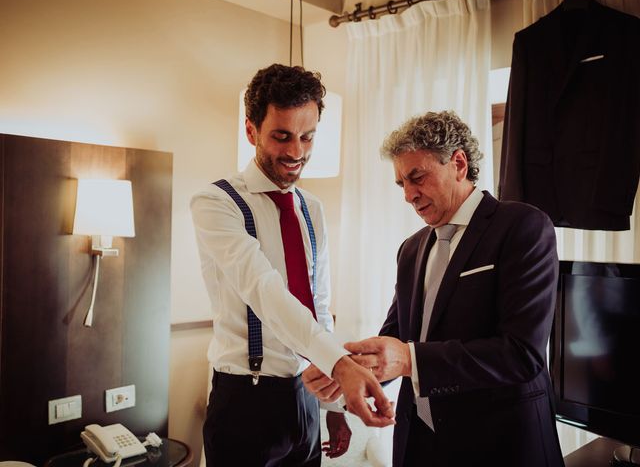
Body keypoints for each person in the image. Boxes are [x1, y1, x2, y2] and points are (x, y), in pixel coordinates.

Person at [304, 111, 564, 466]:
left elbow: (522, 355)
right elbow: (394, 338)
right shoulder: (411, 249)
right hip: (419, 443)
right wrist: (346, 369)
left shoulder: (523, 227)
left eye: (418, 178)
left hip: (501, 444)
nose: (409, 195)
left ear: (458, 163)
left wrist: (410, 359)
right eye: (402, 184)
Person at [190, 63, 394, 467]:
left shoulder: (311, 208)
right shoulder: (216, 203)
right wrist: (341, 364)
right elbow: (263, 289)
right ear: (251, 131)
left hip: (305, 399)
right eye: (282, 136)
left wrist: (333, 408)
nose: (297, 152)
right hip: (245, 401)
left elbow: (319, 307)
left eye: (307, 137)